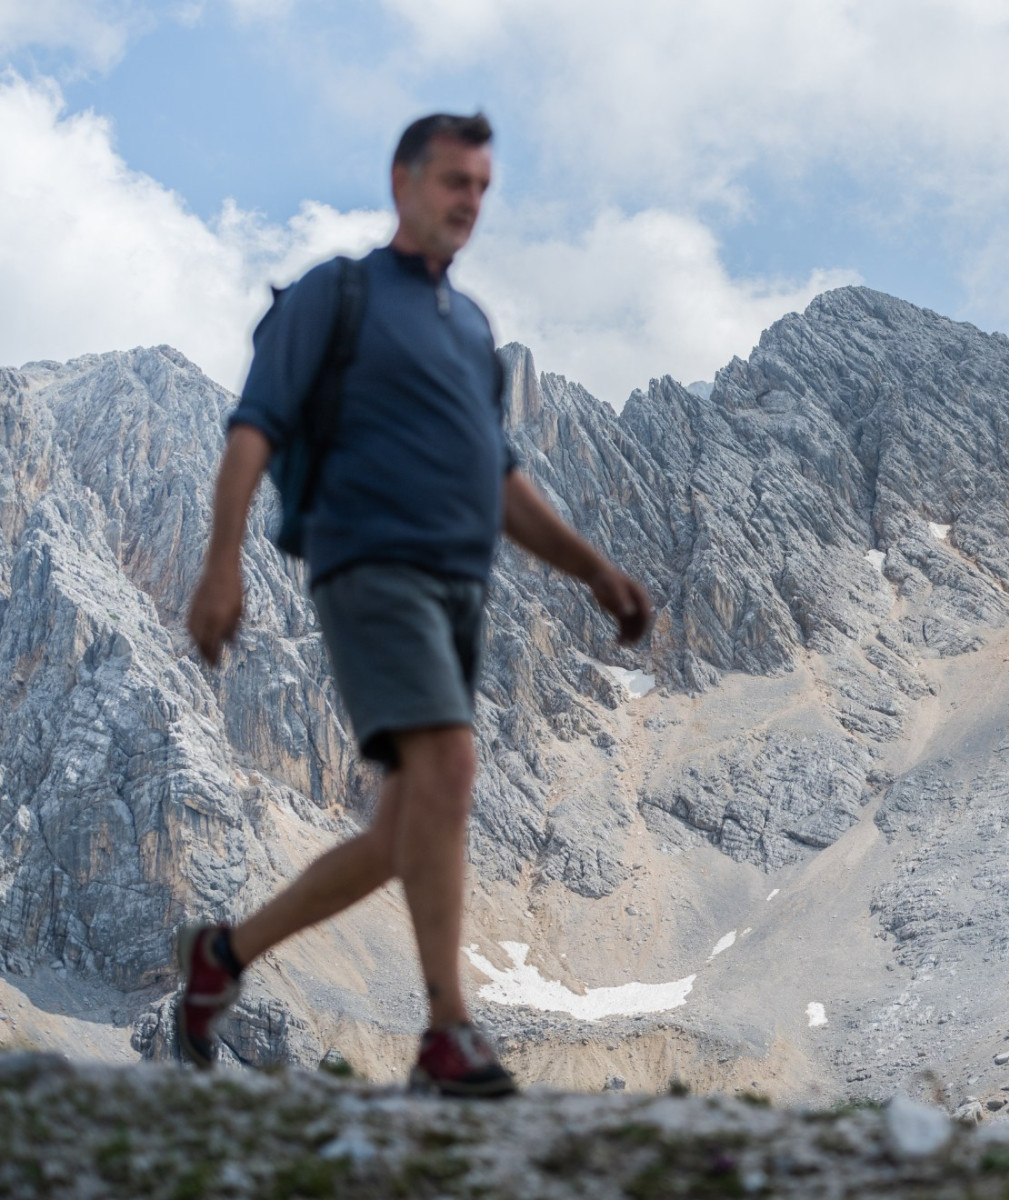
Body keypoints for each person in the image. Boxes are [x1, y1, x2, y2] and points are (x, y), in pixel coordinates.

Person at [178, 112, 652, 1098]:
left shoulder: (472, 330)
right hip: (367, 564)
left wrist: (597, 572)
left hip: (459, 591)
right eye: (451, 182)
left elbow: (503, 486)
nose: (468, 203)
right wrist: (222, 564)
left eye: (481, 187)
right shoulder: (336, 296)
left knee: (404, 833)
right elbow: (253, 430)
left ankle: (225, 955)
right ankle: (447, 1031)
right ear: (402, 184)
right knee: (453, 759)